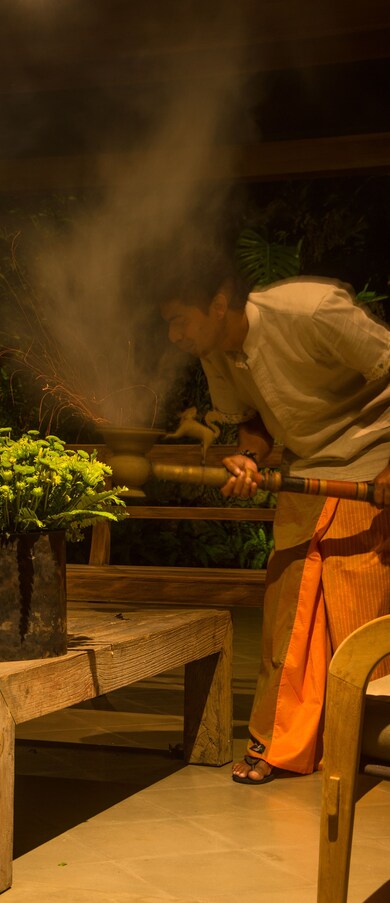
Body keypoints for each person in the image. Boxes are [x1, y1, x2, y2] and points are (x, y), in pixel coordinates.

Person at [159, 240, 390, 784]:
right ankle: (282, 743)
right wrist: (250, 456)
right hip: (307, 473)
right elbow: (254, 423)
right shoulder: (215, 351)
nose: (175, 336)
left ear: (219, 302)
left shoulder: (310, 310)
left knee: (359, 616)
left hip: (375, 468)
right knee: (289, 613)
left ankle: (364, 745)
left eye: (178, 320)